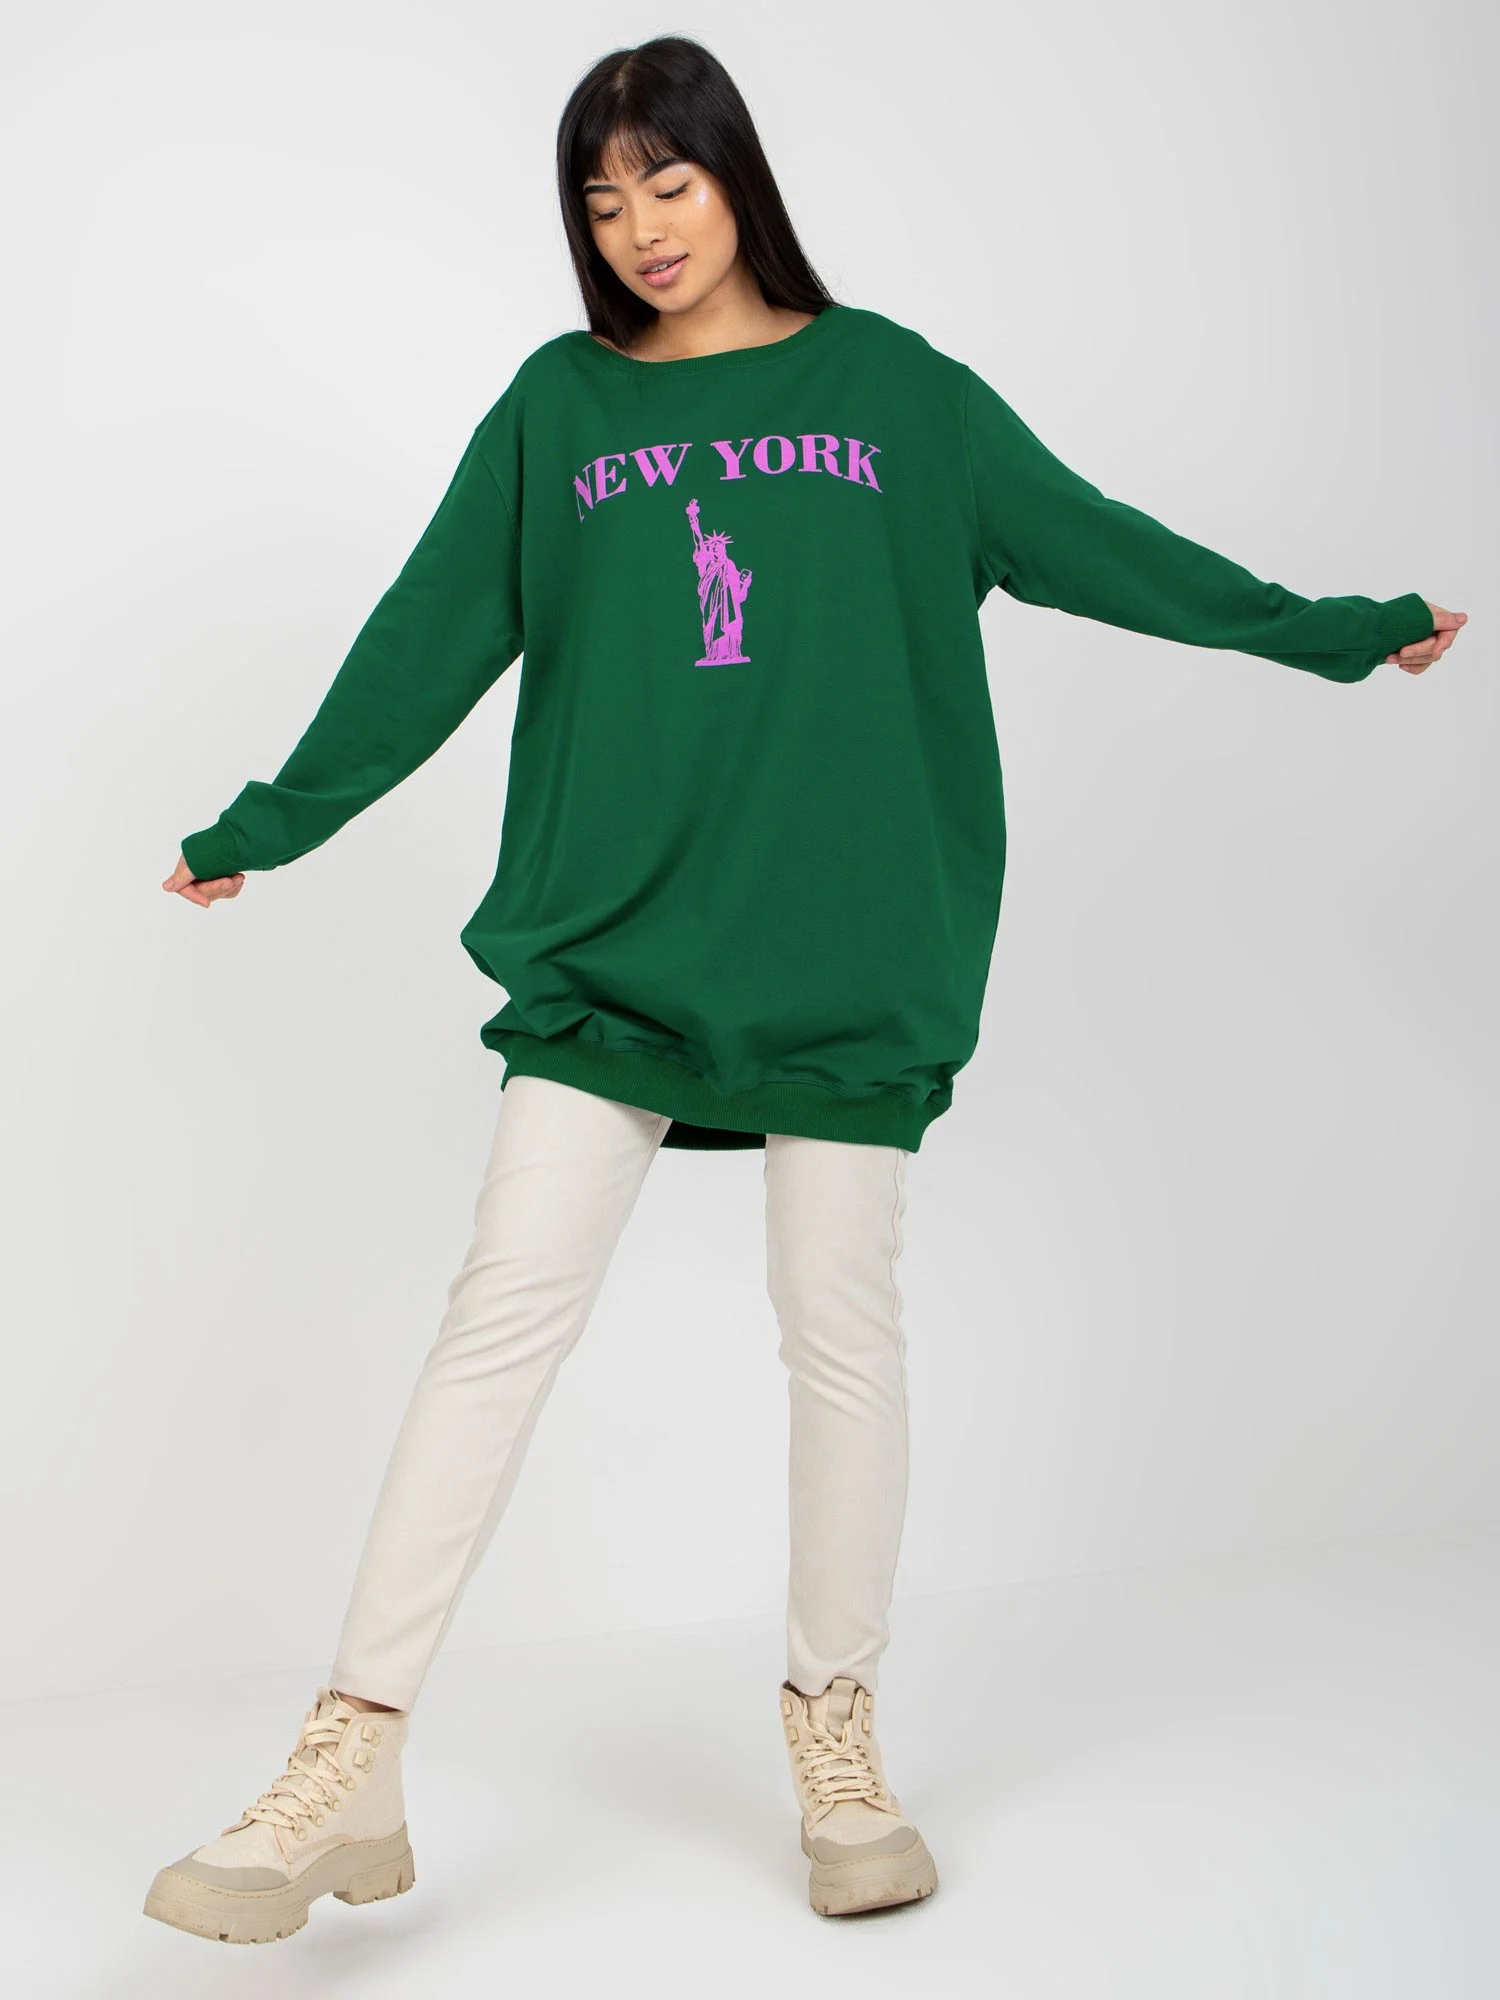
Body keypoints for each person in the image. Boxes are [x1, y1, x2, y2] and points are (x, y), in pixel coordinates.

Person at [145, 32, 1465, 1947]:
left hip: (844, 947)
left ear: (736, 177)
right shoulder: (561, 408)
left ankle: (836, 1735)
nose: (640, 228)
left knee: (838, 1326)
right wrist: (277, 819)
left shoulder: (897, 393)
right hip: (611, 941)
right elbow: (431, 630)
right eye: (603, 199)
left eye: (667, 182)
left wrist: (1331, 633)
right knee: (499, 1316)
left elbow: (1098, 545)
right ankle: (349, 1758)